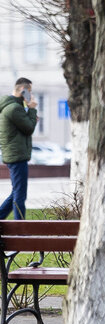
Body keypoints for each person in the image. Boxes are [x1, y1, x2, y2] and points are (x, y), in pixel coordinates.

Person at [0, 78, 38, 220]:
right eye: (29, 91)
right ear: (22, 89)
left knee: (16, 193)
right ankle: (20, 228)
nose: (31, 95)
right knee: (20, 195)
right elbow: (29, 128)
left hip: (14, 154)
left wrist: (30, 115)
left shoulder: (12, 106)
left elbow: (25, 125)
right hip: (17, 156)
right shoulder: (14, 108)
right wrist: (32, 109)